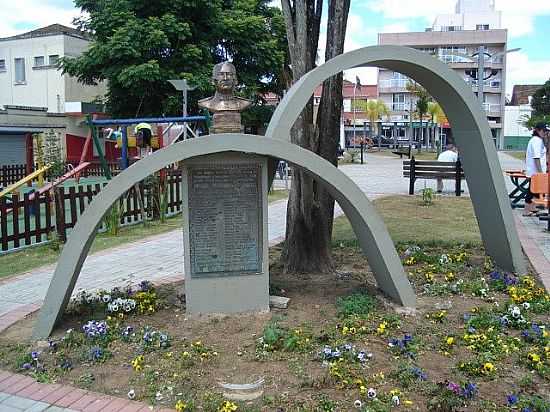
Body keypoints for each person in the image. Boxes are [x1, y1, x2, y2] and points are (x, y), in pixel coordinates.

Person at [523, 122, 549, 216]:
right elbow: (536, 157)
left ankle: (532, 208)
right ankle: (526, 210)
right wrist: (540, 173)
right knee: (531, 191)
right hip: (535, 172)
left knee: (536, 191)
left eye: (546, 131)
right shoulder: (536, 141)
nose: (545, 133)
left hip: (536, 171)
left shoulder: (539, 140)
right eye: (543, 130)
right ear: (537, 130)